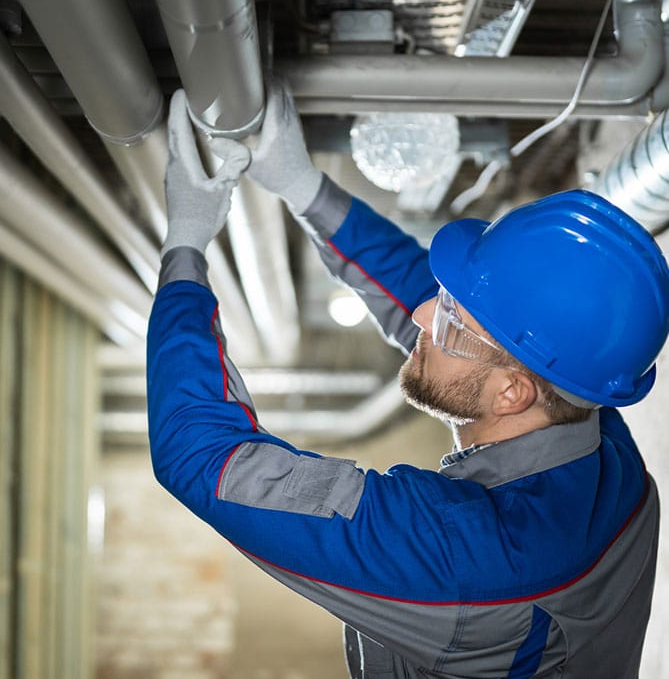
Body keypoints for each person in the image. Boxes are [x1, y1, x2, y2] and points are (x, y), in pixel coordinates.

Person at [147, 82, 669, 679]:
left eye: (447, 320)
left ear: (511, 393)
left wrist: (184, 247)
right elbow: (456, 320)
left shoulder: (464, 558)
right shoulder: (593, 426)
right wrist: (305, 188)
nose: (424, 313)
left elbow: (201, 456)